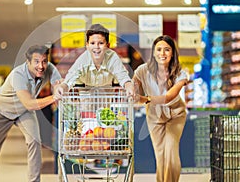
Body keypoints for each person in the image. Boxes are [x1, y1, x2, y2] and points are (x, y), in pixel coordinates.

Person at [0, 45, 62, 182]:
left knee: (34, 141)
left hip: (23, 112)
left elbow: (59, 84)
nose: (41, 66)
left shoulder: (48, 69)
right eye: (36, 61)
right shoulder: (18, 74)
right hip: (2, 110)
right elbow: (29, 103)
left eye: (44, 61)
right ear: (28, 62)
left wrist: (61, 88)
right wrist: (53, 98)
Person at [132, 35, 189, 182]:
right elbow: (133, 85)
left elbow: (169, 96)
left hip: (176, 114)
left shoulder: (180, 72)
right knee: (160, 155)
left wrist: (146, 99)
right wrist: (133, 91)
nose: (162, 53)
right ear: (153, 52)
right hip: (154, 116)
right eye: (158, 49)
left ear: (172, 53)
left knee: (170, 150)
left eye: (167, 50)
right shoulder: (143, 70)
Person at [54, 23, 134, 97]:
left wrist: (129, 86)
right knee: (86, 110)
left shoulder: (112, 58)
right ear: (87, 45)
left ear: (108, 45)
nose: (96, 47)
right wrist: (62, 87)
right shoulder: (83, 60)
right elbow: (70, 78)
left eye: (101, 43)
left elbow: (122, 76)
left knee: (105, 110)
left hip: (106, 90)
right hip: (85, 90)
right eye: (92, 43)